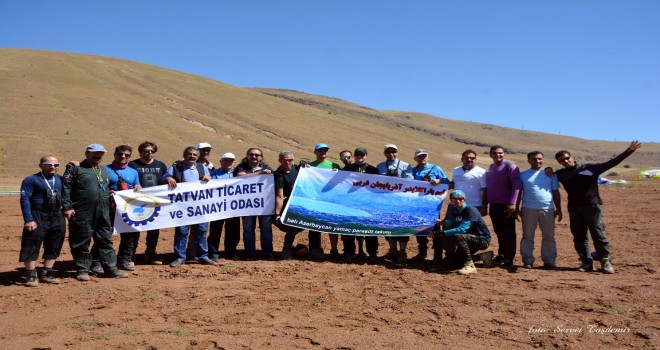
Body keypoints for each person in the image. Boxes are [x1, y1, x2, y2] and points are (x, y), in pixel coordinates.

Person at [554, 140, 642, 274]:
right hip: (574, 207)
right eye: (562, 160)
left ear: (572, 157)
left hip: (592, 205)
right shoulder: (560, 174)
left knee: (598, 233)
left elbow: (611, 163)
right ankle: (586, 262)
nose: (565, 161)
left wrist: (628, 151)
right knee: (578, 235)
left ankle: (605, 261)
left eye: (567, 158)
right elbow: (545, 178)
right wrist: (548, 171)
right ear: (559, 163)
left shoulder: (589, 168)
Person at [62, 144, 126, 281]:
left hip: (103, 211)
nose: (98, 155)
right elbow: (65, 189)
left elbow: (101, 187)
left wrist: (109, 193)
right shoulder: (75, 169)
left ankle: (110, 268)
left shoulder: (103, 170)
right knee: (81, 241)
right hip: (82, 211)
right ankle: (82, 269)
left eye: (100, 153)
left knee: (105, 240)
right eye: (94, 153)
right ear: (86, 153)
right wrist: (67, 207)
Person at [161, 146, 215, 267]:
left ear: (197, 156)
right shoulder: (176, 167)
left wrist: (208, 177)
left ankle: (203, 256)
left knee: (201, 231)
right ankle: (180, 257)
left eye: (194, 155)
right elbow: (163, 178)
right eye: (189, 154)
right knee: (182, 231)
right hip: (182, 206)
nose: (192, 156)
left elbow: (210, 180)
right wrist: (168, 178)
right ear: (184, 155)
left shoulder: (202, 167)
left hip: (200, 206)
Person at [19, 155, 66, 286]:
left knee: (54, 243)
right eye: (48, 164)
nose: (52, 167)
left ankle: (47, 272)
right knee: (31, 244)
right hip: (37, 216)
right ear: (40, 165)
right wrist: (28, 219)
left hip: (57, 215)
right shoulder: (31, 180)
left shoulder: (60, 179)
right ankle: (31, 274)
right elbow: (24, 200)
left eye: (56, 165)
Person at [516, 151, 562, 270]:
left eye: (539, 159)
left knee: (549, 236)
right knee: (527, 236)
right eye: (534, 159)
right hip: (528, 208)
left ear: (543, 159)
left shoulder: (550, 174)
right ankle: (527, 260)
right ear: (529, 161)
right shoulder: (523, 175)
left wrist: (559, 209)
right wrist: (516, 208)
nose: (537, 161)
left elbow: (556, 192)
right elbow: (518, 193)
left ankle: (549, 261)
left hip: (548, 208)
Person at [128, 141, 168, 265]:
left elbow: (163, 179)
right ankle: (130, 256)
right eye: (146, 151)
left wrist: (169, 178)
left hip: (154, 202)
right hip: (136, 202)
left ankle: (150, 253)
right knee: (134, 229)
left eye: (152, 151)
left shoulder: (160, 165)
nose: (149, 153)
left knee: (154, 229)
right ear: (140, 152)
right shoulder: (133, 165)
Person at [434, 190, 491, 275]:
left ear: (464, 199)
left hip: (482, 239)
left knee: (458, 236)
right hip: (468, 239)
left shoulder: (471, 211)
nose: (457, 201)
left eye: (460, 199)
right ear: (451, 201)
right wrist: (443, 222)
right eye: (454, 199)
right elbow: (455, 221)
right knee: (452, 263)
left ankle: (470, 265)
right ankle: (484, 256)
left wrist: (441, 233)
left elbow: (461, 229)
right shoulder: (456, 210)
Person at [106, 145, 142, 271]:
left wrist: (138, 186)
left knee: (130, 234)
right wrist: (107, 191)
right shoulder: (105, 169)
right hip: (109, 207)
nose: (123, 157)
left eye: (126, 155)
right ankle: (101, 261)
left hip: (128, 208)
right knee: (105, 235)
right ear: (114, 154)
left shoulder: (133, 172)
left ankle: (124, 260)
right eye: (120, 154)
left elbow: (136, 184)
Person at [235, 147, 275, 260]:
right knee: (248, 230)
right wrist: (260, 173)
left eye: (257, 155)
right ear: (247, 156)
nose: (254, 157)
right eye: (251, 154)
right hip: (247, 205)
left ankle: (267, 252)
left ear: (261, 157)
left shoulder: (267, 168)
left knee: (266, 229)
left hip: (264, 205)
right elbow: (240, 176)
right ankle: (249, 253)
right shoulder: (241, 167)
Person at [340, 147, 379, 261]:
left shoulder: (373, 170)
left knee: (370, 228)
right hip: (350, 203)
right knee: (348, 228)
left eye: (362, 155)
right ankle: (349, 251)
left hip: (368, 204)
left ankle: (372, 253)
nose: (359, 157)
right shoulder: (347, 168)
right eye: (357, 155)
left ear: (366, 156)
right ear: (354, 156)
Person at [485, 145, 521, 268]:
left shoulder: (510, 166)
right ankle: (502, 254)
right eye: (494, 153)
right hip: (494, 205)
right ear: (490, 155)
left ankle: (509, 257)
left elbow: (517, 185)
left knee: (508, 232)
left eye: (500, 153)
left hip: (506, 205)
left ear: (504, 153)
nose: (497, 155)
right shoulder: (492, 167)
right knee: (499, 231)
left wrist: (512, 203)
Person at [376, 144, 413, 264]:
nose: (391, 154)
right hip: (386, 202)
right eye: (388, 151)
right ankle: (393, 250)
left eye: (393, 151)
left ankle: (402, 252)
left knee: (401, 226)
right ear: (384, 153)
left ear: (397, 152)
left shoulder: (406, 166)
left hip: (401, 202)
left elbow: (410, 182)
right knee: (388, 225)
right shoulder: (380, 166)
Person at [411, 149, 450, 262]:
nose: (422, 158)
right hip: (417, 204)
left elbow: (448, 182)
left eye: (424, 156)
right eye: (419, 156)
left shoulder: (436, 169)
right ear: (415, 159)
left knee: (435, 227)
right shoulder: (413, 171)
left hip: (433, 205)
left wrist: (439, 180)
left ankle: (438, 254)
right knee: (419, 227)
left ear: (428, 158)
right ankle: (423, 252)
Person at [274, 151, 311, 260]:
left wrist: (308, 166)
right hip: (287, 206)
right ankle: (286, 250)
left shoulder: (299, 169)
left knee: (303, 225)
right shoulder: (279, 175)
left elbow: (313, 174)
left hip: (302, 205)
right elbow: (279, 196)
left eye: (290, 160)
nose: (288, 162)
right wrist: (277, 214)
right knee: (293, 227)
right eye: (285, 160)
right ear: (280, 160)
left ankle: (313, 248)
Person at [309, 143, 342, 258]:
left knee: (332, 225)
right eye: (320, 150)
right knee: (314, 225)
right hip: (315, 199)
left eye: (325, 150)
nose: (323, 152)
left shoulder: (334, 165)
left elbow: (341, 182)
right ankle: (315, 249)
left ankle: (334, 249)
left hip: (331, 200)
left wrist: (338, 173)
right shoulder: (310, 166)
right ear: (315, 152)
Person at [208, 152, 241, 261]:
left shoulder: (238, 173)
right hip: (218, 206)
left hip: (234, 207)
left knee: (233, 231)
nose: (228, 162)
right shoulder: (214, 174)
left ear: (234, 162)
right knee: (215, 231)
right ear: (221, 161)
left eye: (230, 160)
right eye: (225, 160)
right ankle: (213, 253)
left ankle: (231, 252)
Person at [451, 150, 488, 216]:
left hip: (474, 206)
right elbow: (453, 183)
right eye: (466, 157)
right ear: (462, 159)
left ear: (475, 159)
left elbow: (485, 190)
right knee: (457, 225)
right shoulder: (456, 170)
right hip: (457, 204)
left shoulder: (482, 172)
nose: (469, 159)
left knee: (472, 226)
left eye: (472, 158)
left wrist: (484, 207)